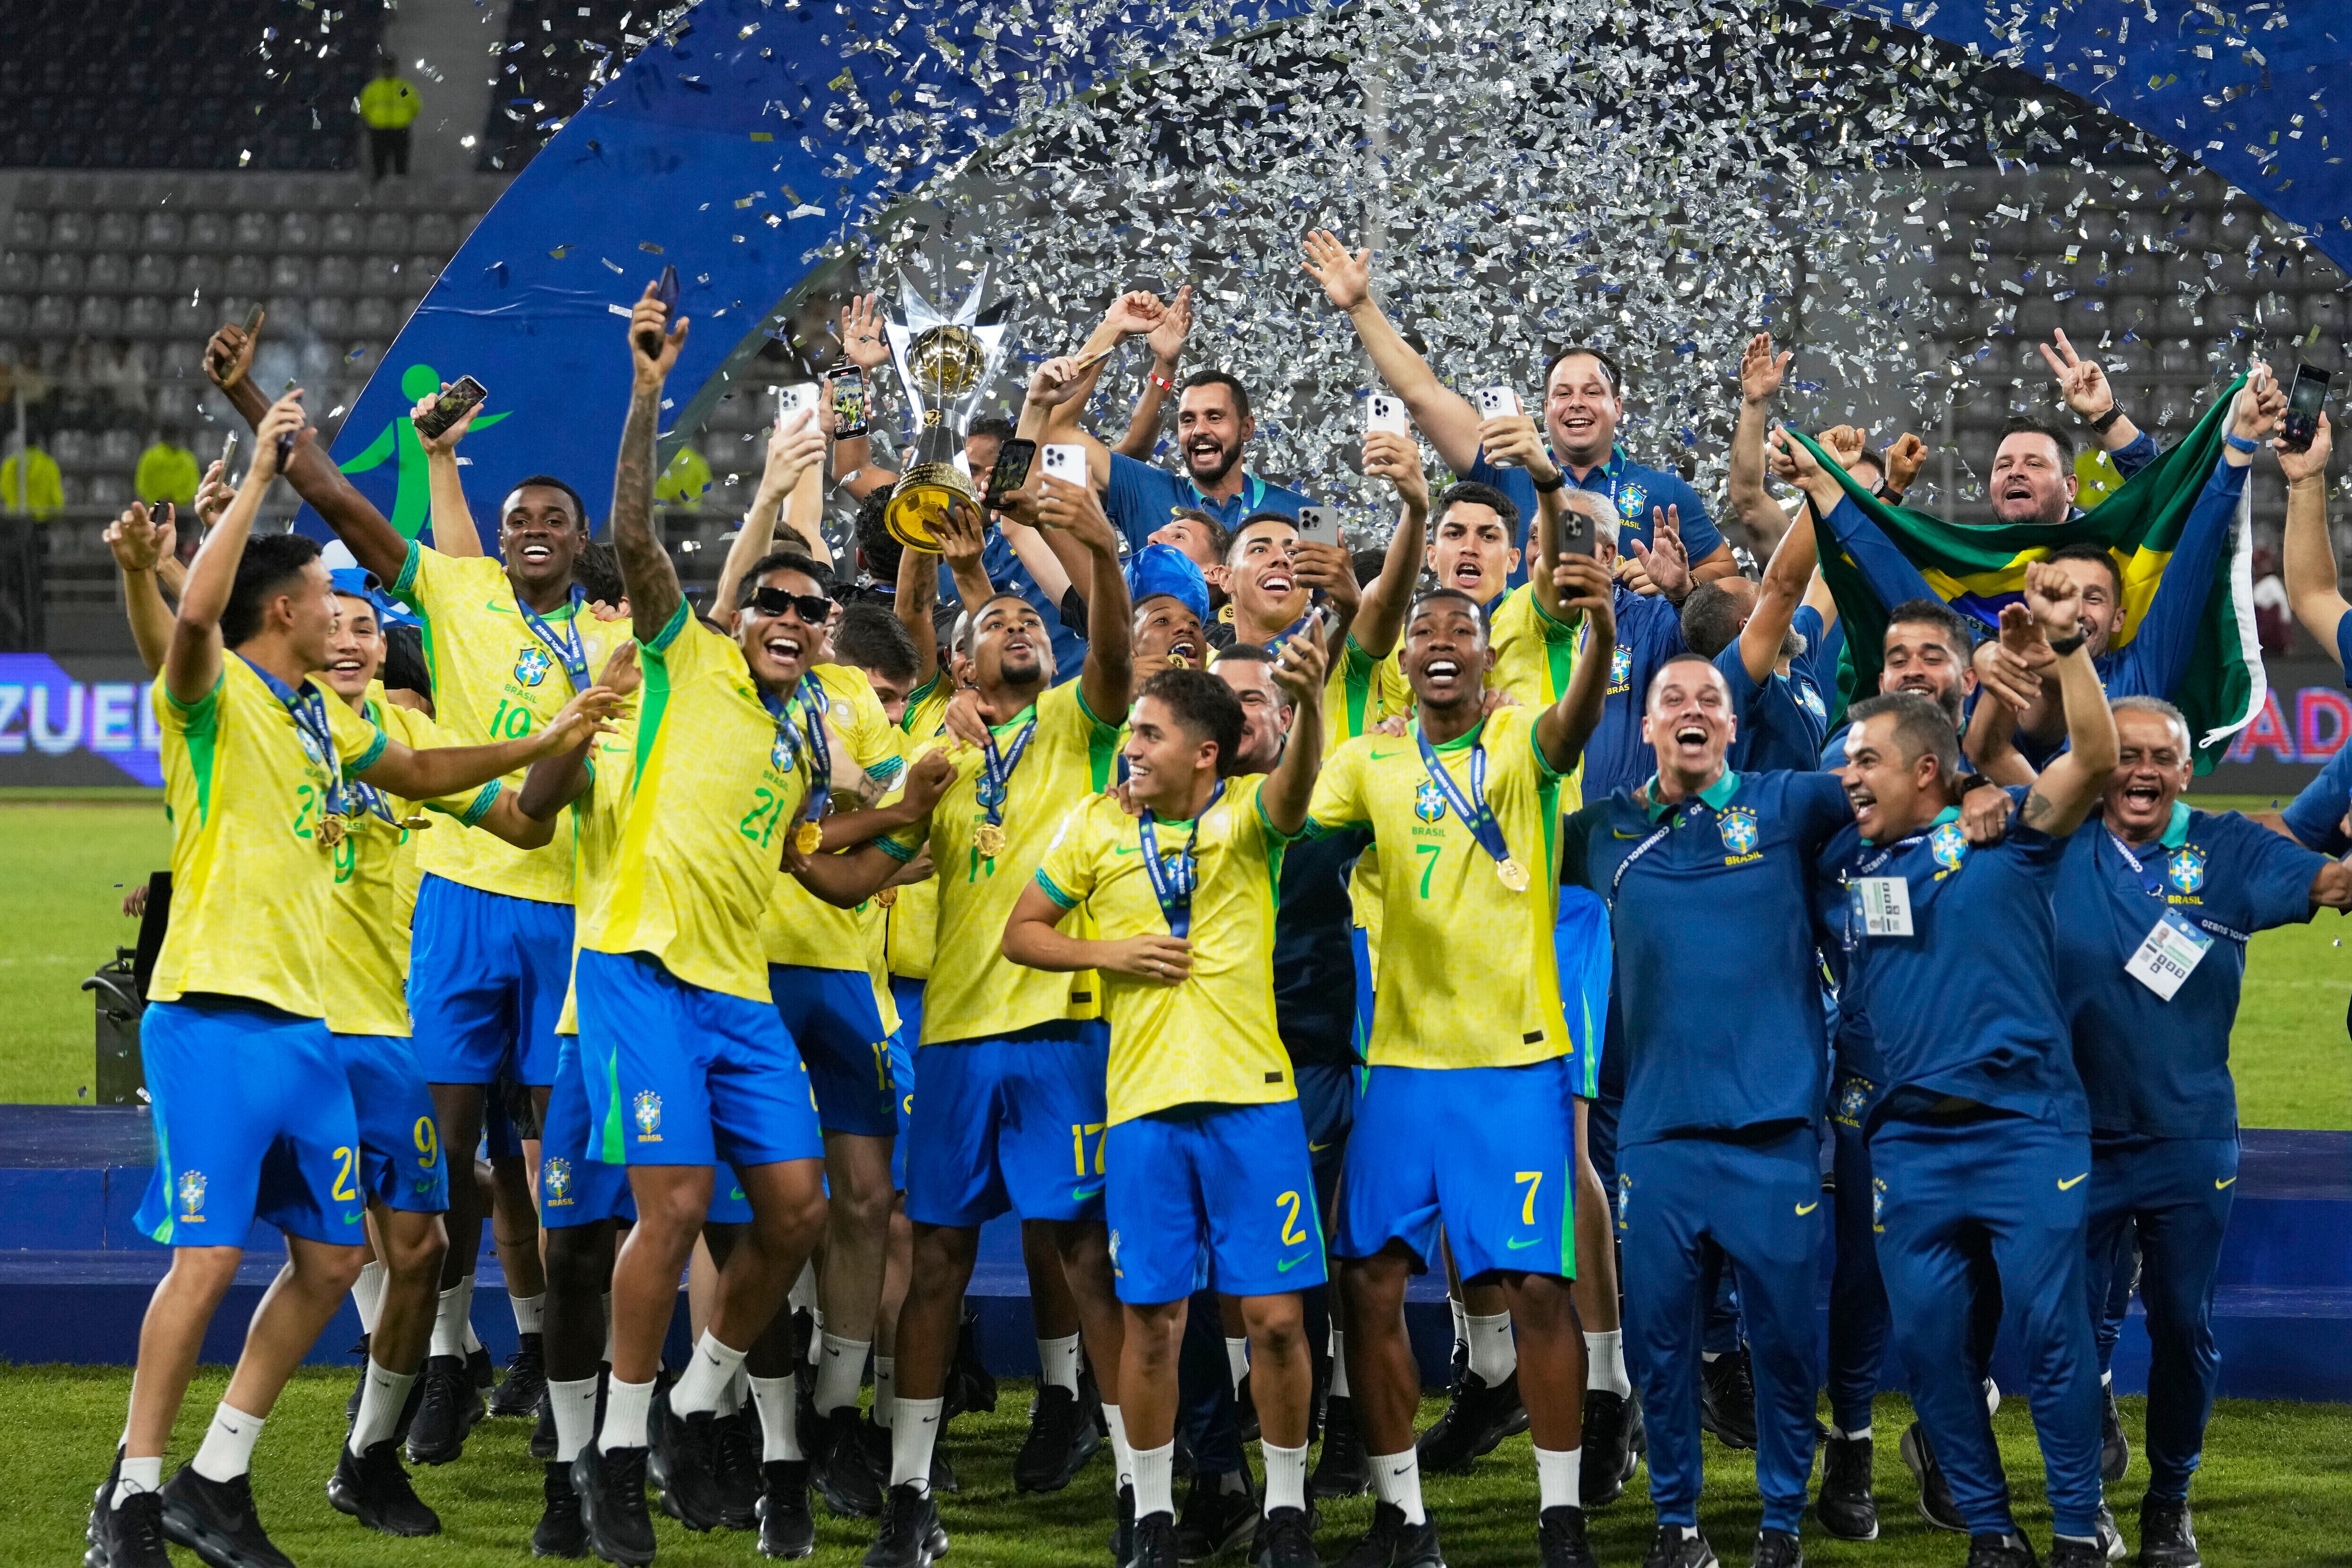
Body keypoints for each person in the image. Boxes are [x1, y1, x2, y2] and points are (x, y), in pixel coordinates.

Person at [88, 388, 614, 1568]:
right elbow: (189, 627)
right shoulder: (215, 701)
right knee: (211, 1257)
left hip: (317, 1037)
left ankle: (219, 1478)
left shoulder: (338, 729)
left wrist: (554, 733)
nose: (349, 616)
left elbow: (431, 765)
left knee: (344, 1257)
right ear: (287, 611)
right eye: (329, 603)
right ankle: (129, 1491)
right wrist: (235, 498)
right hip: (216, 1015)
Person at [207, 311, 615, 1464]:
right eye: (520, 515)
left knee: (538, 1166)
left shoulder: (617, 630)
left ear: (581, 541)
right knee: (440, 1167)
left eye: (554, 519)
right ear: (499, 533)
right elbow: (337, 501)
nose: (533, 528)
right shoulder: (458, 590)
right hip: (457, 898)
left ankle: (541, 1347)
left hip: (568, 904)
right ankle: (441, 1357)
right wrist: (254, 407)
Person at [783, 467, 1135, 1568]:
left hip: (1063, 1036)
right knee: (934, 1260)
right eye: (996, 621)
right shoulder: (935, 757)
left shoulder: (1081, 726)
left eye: (1030, 617)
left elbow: (1118, 662)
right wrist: (805, 829)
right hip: (953, 1046)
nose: (1021, 622)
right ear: (958, 664)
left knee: (1086, 1255)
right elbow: (847, 878)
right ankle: (908, 1491)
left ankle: (1143, 1488)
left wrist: (1106, 559)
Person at [555, 283, 847, 1561]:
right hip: (639, 970)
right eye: (771, 603)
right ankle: (618, 1456)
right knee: (669, 1206)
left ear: (827, 633)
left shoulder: (811, 726)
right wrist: (647, 390)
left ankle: (693, 1396)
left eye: (808, 609)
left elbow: (806, 851)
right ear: (745, 616)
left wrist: (905, 817)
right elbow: (630, 535)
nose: (786, 618)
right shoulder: (688, 657)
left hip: (739, 991)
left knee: (796, 1213)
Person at [1303, 553, 1620, 1568]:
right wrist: (1307, 704)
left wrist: (1602, 633)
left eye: (1460, 633)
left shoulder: (1523, 743)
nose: (1439, 644)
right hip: (1396, 1065)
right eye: (1423, 635)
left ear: (1489, 662)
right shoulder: (1367, 761)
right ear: (1400, 665)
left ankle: (1559, 1516)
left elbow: (1573, 722)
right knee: (1367, 1283)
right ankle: (1402, 1518)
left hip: (1514, 1064)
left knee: (1533, 1289)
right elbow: (1291, 840)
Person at [1819, 557, 2120, 1568]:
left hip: (2020, 1130)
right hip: (1904, 1143)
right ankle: (1991, 1536)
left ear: (1919, 770)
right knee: (1933, 1361)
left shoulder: (2006, 836)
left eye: (1862, 760)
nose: (1845, 776)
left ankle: (2077, 1528)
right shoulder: (1845, 860)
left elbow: (2092, 753)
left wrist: (2067, 650)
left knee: (2048, 1338)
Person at [1004, 647, 1331, 1568]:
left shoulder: (1244, 820)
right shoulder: (1093, 828)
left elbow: (1296, 788)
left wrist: (1304, 708)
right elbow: (1021, 933)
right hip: (1142, 1109)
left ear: (1204, 753)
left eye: (1148, 734)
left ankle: (1284, 1511)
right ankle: (1150, 1516)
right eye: (1129, 732)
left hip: (1252, 1105)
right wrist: (1109, 953)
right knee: (1152, 1321)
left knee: (1272, 1319)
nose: (1128, 749)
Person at [1557, 650, 1861, 1568]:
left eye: (1709, 699)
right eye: (1670, 700)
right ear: (1643, 728)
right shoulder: (1594, 831)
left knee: (1778, 1349)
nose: (1691, 710)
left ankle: (1778, 1526)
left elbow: (1887, 774)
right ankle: (1674, 1524)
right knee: (1660, 1349)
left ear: (1731, 725)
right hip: (1653, 1135)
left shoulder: (1782, 804)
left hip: (1770, 1138)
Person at [2042, 695, 2351, 1567]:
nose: (2141, 770)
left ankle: (2167, 1501)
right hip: (2073, 1133)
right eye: (2126, 753)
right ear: (2100, 763)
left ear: (2186, 769)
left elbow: (2331, 882)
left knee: (2183, 1324)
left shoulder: (2229, 847)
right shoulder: (2054, 838)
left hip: (2186, 1137)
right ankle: (2081, 1505)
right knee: (2072, 1329)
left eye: (2161, 757)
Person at [1300, 228, 1735, 587]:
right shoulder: (1503, 467)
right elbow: (1423, 393)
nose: (1576, 404)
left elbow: (1727, 573)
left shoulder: (1664, 493)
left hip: (1625, 676)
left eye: (1592, 392)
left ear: (1617, 406)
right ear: (1543, 409)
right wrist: (1361, 306)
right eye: (1563, 394)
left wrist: (1683, 581)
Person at [1033, 291, 1320, 546]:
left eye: (1215, 417)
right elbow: (1055, 432)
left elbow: (1340, 602)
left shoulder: (1314, 515)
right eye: (1187, 420)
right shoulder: (1146, 491)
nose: (1199, 430)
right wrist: (1112, 329)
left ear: (1246, 429)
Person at [361, 55, 421, 180]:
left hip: (399, 129)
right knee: (379, 165)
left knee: (401, 165)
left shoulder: (401, 88)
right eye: (386, 68)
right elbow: (364, 108)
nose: (388, 71)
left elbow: (414, 105)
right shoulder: (374, 88)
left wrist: (404, 118)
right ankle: (380, 194)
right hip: (379, 130)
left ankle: (400, 193)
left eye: (390, 68)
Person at [134, 428, 199, 509]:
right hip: (158, 509)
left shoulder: (150, 456)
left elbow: (192, 486)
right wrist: (175, 500)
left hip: (180, 511)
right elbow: (142, 485)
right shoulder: (187, 457)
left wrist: (174, 500)